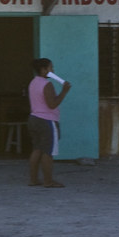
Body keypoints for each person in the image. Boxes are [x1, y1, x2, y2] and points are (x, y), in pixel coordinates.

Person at [27, 57, 71, 188]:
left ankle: (33, 179)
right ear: (43, 69)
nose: (53, 70)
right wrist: (64, 91)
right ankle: (48, 181)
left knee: (37, 149)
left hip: (34, 119)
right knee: (48, 152)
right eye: (51, 67)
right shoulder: (47, 84)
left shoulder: (33, 82)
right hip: (46, 121)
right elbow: (52, 104)